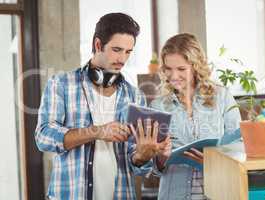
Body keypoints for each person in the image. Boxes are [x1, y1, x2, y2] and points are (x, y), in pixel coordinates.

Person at [35, 12, 170, 200]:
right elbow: (43, 137)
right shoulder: (61, 84)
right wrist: (97, 131)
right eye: (117, 49)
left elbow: (138, 166)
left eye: (128, 52)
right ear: (98, 45)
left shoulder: (134, 95)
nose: (123, 59)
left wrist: (142, 155)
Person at [151, 33, 241, 200]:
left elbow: (239, 147)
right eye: (168, 69)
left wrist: (213, 163)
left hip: (218, 192)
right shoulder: (158, 106)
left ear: (196, 66)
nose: (173, 76)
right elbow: (153, 168)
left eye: (181, 69)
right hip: (173, 194)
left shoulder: (222, 97)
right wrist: (161, 158)